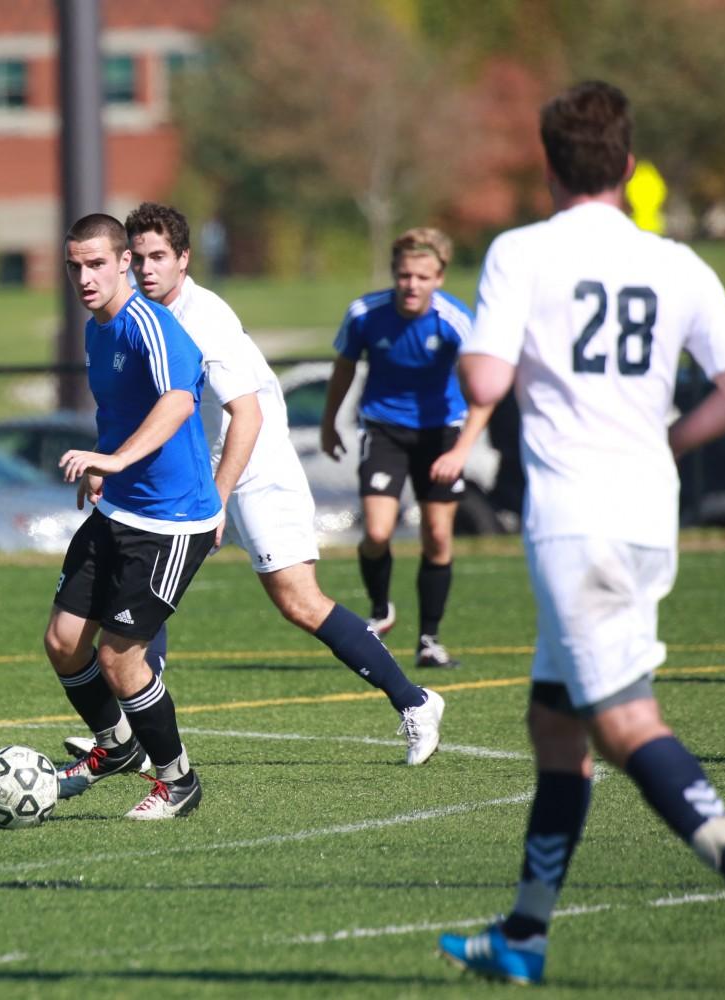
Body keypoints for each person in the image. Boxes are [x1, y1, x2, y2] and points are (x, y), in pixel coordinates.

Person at [438, 80, 725, 985]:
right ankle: (525, 936)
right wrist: (671, 435)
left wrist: (483, 359)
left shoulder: (522, 253)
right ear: (625, 166)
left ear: (549, 167)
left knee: (621, 723)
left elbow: (488, 378)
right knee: (556, 727)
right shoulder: (678, 264)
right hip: (649, 513)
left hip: (577, 520)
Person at [66, 202, 444, 767]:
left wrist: (216, 500)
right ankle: (136, 736)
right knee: (134, 595)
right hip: (191, 472)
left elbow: (248, 417)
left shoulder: (204, 318)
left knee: (298, 600)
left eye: (159, 257)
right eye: (138, 258)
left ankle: (415, 701)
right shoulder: (133, 315)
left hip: (255, 467)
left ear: (184, 260)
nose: (146, 269)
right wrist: (109, 463)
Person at [43, 212, 223, 820]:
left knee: (122, 659)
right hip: (119, 507)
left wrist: (112, 459)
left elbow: (177, 401)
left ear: (124, 262)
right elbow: (122, 406)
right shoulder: (97, 331)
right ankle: (116, 747)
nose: (85, 277)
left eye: (97, 264)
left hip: (171, 520)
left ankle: (177, 781)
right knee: (64, 642)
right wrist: (103, 468)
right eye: (75, 266)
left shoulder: (148, 323)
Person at [320, 228, 493, 668]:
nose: (411, 285)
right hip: (384, 430)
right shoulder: (364, 314)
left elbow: (484, 394)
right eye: (403, 275)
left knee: (437, 536)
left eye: (422, 276)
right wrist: (330, 423)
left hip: (441, 435)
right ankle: (380, 612)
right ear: (394, 274)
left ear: (439, 278)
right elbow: (344, 367)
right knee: (377, 532)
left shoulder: (457, 321)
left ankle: (429, 641)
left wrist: (460, 452)